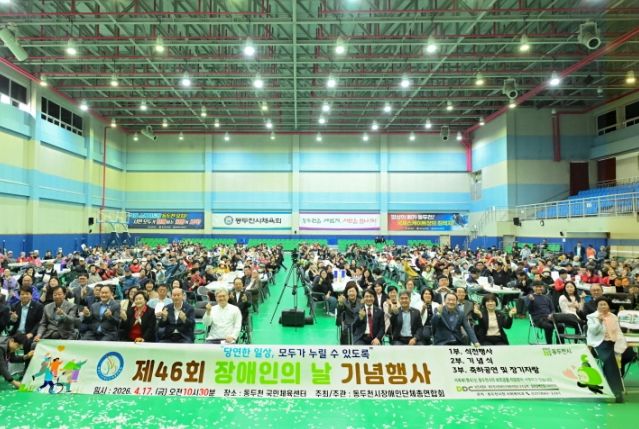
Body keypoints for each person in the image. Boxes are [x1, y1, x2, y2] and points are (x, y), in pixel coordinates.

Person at [586, 298, 638, 403]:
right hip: (601, 343)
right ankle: (617, 391)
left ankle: (617, 375)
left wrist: (623, 344)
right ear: (597, 306)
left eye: (604, 304)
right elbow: (593, 332)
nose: (602, 306)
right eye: (600, 304)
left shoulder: (613, 317)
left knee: (630, 354)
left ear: (608, 306)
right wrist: (599, 322)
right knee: (610, 360)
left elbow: (618, 332)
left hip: (614, 342)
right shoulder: (592, 317)